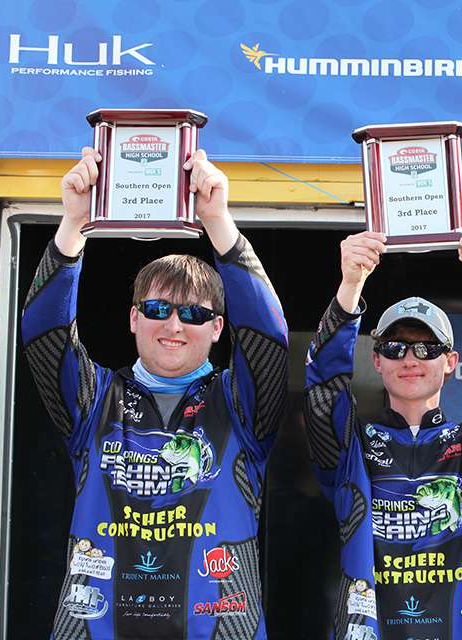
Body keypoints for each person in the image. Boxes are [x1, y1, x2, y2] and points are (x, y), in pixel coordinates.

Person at [21, 147, 288, 640]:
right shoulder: (95, 399)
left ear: (217, 329)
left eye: (193, 314)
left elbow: (268, 338)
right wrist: (74, 224)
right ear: (132, 318)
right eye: (157, 308)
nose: (173, 325)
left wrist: (218, 222)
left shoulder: (239, 403)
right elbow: (44, 333)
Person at [304, 230, 462, 640]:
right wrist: (350, 286)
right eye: (395, 347)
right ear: (377, 360)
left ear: (451, 361)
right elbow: (323, 388)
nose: (410, 358)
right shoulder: (350, 449)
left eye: (427, 349)